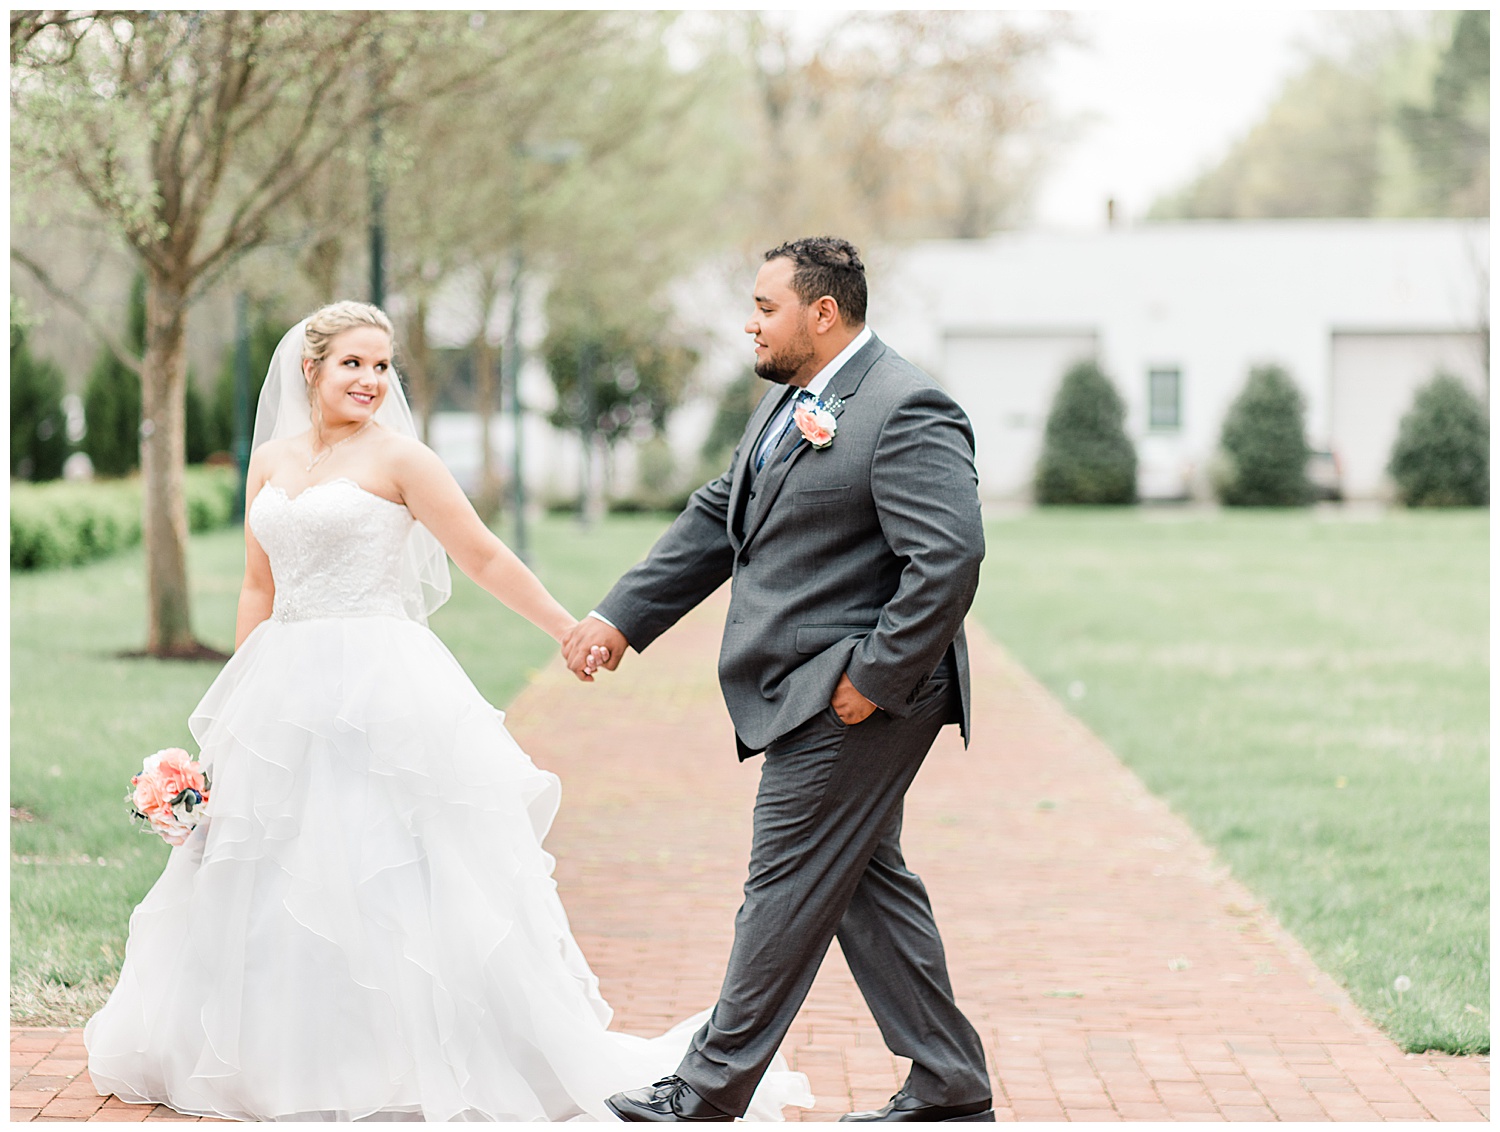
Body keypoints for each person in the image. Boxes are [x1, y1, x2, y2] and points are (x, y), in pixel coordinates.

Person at [83, 300, 812, 1123]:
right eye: (354, 362)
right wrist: (230, 710)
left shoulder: (403, 459)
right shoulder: (272, 461)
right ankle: (286, 1056)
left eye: (383, 365)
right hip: (281, 683)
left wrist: (572, 630)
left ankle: (403, 1058)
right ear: (310, 368)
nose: (371, 379)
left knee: (386, 867)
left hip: (382, 684)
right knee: (273, 865)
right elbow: (259, 584)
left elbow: (483, 556)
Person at [564, 237, 994, 1124]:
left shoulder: (905, 407)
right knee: (864, 883)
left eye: (766, 309)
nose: (751, 324)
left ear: (822, 312)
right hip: (805, 686)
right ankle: (949, 1083)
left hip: (852, 696)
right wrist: (619, 618)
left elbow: (948, 560)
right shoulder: (791, 405)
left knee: (786, 881)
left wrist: (873, 678)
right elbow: (719, 515)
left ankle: (707, 1085)